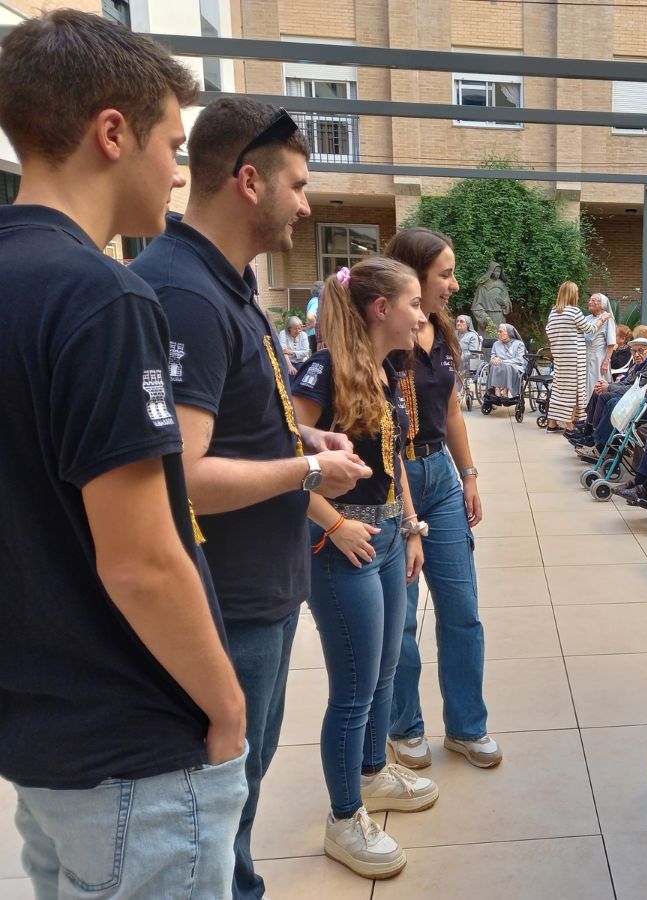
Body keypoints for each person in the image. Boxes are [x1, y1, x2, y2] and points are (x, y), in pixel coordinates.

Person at [0, 11, 248, 897]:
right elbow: (143, 560)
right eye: (173, 146)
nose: (179, 174)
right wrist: (226, 709)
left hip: (40, 739)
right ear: (113, 132)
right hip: (135, 751)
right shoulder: (104, 297)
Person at [132, 96, 372, 900]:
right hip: (225, 604)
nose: (306, 204)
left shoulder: (222, 285)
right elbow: (184, 474)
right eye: (297, 185)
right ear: (247, 181)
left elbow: (229, 428)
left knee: (236, 797)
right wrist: (308, 475)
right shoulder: (190, 297)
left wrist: (305, 441)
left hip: (255, 593)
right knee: (216, 805)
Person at [292, 258, 435, 879]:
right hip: (339, 543)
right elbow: (282, 454)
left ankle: (373, 772)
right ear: (382, 309)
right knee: (353, 690)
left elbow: (393, 460)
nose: (423, 314)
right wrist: (334, 522)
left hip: (382, 536)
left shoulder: (387, 369)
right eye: (414, 304)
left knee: (382, 673)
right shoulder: (323, 369)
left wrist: (407, 527)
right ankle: (344, 818)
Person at [383, 228, 500, 769]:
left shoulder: (443, 331)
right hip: (393, 478)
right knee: (401, 620)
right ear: (412, 275)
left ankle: (466, 726)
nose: (453, 285)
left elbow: (451, 410)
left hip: (441, 477)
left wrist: (469, 474)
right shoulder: (382, 334)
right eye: (444, 275)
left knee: (462, 610)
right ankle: (404, 725)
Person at [567, 332, 647, 448]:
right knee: (599, 390)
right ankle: (588, 429)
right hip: (631, 393)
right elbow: (626, 382)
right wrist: (607, 384)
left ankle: (593, 436)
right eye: (634, 351)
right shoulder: (640, 363)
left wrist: (609, 387)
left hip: (638, 396)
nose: (636, 354)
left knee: (604, 396)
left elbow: (637, 388)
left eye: (640, 350)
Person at [544, 280, 608, 432]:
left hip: (560, 356)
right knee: (574, 391)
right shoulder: (574, 311)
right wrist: (602, 319)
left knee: (559, 389)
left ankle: (552, 424)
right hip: (574, 357)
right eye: (577, 292)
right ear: (573, 294)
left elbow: (549, 332)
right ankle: (570, 425)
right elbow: (590, 329)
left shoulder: (553, 312)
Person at [585, 292, 617, 395]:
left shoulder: (608, 319)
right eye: (590, 300)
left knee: (596, 385)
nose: (590, 302)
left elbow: (611, 343)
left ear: (602, 303)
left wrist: (606, 361)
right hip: (585, 356)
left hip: (599, 358)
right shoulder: (587, 318)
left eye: (594, 300)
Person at [471, 261, 511, 333]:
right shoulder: (483, 286)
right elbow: (476, 306)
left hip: (500, 317)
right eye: (496, 271)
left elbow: (508, 302)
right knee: (487, 340)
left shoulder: (502, 285)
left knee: (500, 337)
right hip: (488, 316)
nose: (498, 273)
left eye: (499, 272)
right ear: (491, 271)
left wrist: (505, 304)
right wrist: (485, 318)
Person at [487, 323, 526, 398]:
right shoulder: (496, 344)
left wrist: (503, 361)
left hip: (516, 367)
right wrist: (494, 360)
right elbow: (492, 358)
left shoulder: (519, 344)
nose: (499, 333)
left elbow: (519, 360)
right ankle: (496, 390)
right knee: (495, 366)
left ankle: (505, 391)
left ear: (508, 332)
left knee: (507, 366)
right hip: (499, 367)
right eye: (498, 332)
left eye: (500, 331)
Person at [307, 279, 322, 353]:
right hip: (315, 335)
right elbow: (311, 315)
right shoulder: (316, 301)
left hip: (312, 334)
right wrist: (315, 324)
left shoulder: (313, 300)